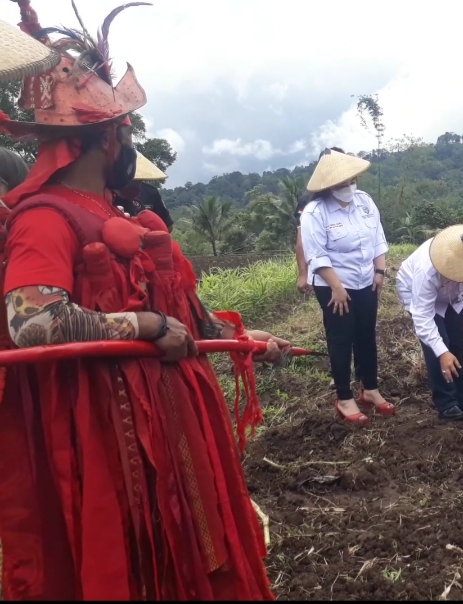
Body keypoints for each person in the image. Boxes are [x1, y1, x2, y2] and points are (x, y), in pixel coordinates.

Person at [0, 1, 286, 598]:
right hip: (106, 433)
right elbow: (33, 320)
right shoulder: (45, 221)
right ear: (106, 138)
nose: (128, 143)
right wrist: (145, 324)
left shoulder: (115, 212)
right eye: (124, 130)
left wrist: (241, 338)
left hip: (172, 416)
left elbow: (184, 316)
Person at [301, 149, 394, 425]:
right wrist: (337, 288)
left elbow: (377, 237)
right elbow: (316, 255)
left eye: (351, 181)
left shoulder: (364, 202)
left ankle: (370, 389)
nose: (348, 188)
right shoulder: (315, 212)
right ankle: (344, 397)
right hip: (333, 286)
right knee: (341, 339)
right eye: (341, 184)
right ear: (329, 186)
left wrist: (380, 270)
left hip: (366, 280)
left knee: (366, 334)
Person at [397, 224, 463, 421]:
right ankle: (447, 404)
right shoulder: (427, 270)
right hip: (419, 296)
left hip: (453, 297)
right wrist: (442, 352)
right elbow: (422, 317)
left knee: (460, 346)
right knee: (438, 346)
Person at [295, 147, 343, 295]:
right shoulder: (310, 202)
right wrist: (303, 274)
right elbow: (302, 240)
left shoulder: (352, 195)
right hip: (325, 273)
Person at [111, 151, 173, 230]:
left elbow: (168, 226)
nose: (138, 189)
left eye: (139, 182)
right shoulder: (108, 194)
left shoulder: (150, 193)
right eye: (133, 184)